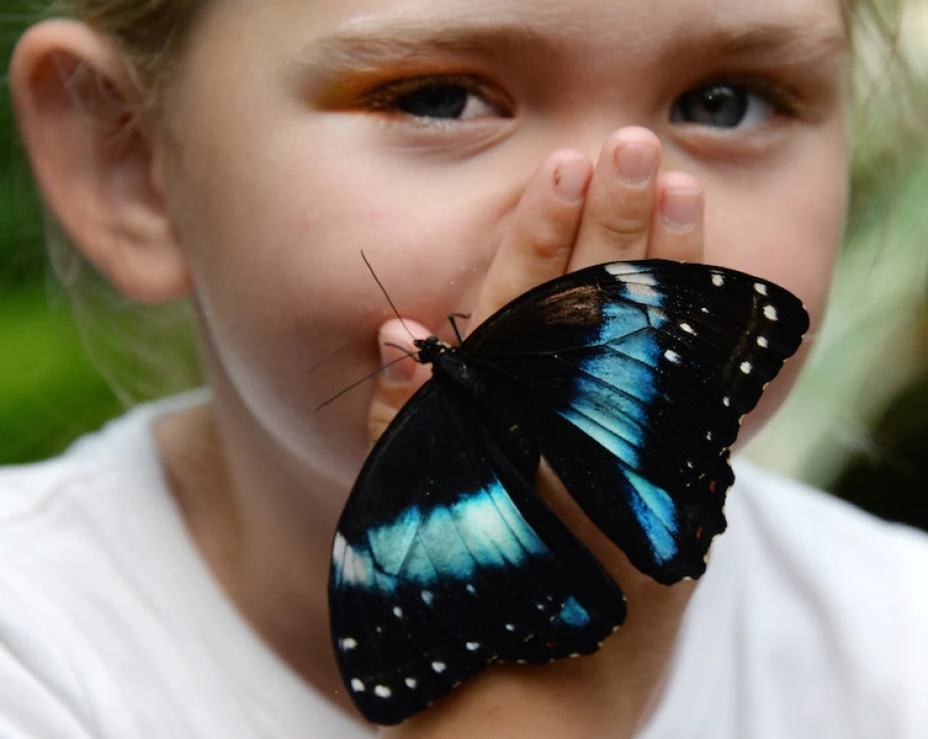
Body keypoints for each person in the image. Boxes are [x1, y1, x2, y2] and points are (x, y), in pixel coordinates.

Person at [3, 0, 926, 736]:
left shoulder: (900, 641)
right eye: (438, 97)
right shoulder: (31, 651)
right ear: (126, 155)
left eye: (726, 101)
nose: (609, 204)